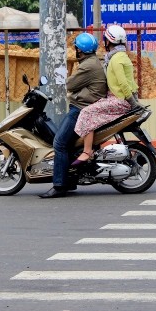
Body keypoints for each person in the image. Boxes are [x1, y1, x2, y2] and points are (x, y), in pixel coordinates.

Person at [39, 33, 108, 199]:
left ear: (81, 50)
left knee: (60, 142)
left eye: (76, 48)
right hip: (84, 106)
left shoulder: (88, 66)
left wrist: (63, 78)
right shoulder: (91, 62)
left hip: (81, 108)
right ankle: (69, 179)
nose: (75, 50)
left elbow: (70, 84)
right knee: (67, 143)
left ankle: (59, 185)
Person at [72, 25, 143, 165]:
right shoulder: (120, 56)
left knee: (86, 112)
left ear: (108, 42)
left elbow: (123, 84)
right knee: (91, 110)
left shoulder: (116, 59)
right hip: (119, 98)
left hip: (120, 100)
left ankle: (87, 151)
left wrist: (133, 103)